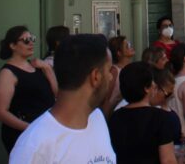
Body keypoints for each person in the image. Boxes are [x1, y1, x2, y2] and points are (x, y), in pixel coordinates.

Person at [9, 34, 116, 163]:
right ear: (96, 77)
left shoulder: (97, 118)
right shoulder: (34, 147)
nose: (111, 77)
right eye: (109, 70)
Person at [0, 25, 57, 153]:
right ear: (13, 45)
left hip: (45, 130)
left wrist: (47, 68)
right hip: (24, 133)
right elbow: (1, 112)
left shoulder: (38, 67)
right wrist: (30, 127)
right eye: (26, 40)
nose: (31, 44)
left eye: (32, 39)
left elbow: (57, 94)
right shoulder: (8, 73)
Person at [108, 62, 181, 164]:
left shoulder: (115, 117)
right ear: (146, 88)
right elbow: (168, 160)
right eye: (152, 82)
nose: (155, 85)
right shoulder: (160, 118)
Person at [105, 35, 137, 114]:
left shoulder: (132, 68)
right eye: (127, 46)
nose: (130, 47)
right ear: (119, 53)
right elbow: (106, 97)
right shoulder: (115, 71)